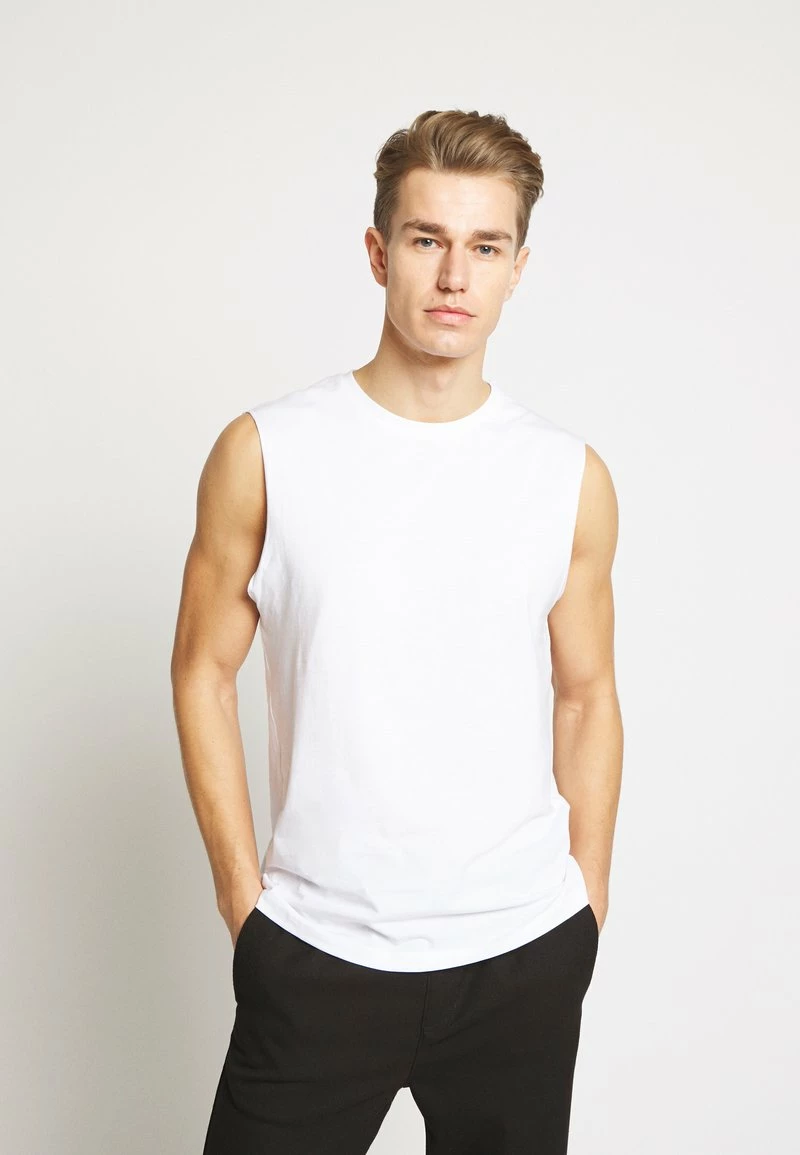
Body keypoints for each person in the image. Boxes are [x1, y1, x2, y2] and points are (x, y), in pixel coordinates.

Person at [171, 107, 623, 1154]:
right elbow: (200, 672)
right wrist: (246, 906)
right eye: (427, 239)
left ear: (517, 269)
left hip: (520, 955)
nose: (454, 275)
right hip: (317, 955)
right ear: (379, 253)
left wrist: (584, 906)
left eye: (485, 247)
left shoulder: (566, 476)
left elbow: (586, 693)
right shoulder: (265, 452)